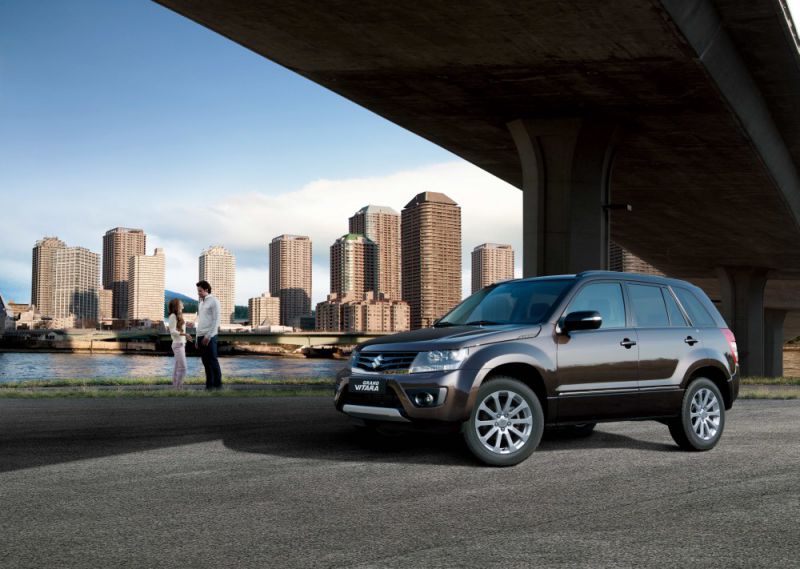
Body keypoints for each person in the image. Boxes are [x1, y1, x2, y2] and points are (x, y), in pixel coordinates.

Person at [195, 280, 222, 390]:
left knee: (213, 360)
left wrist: (208, 336)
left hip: (210, 336)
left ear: (206, 290)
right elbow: (201, 321)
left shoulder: (214, 301)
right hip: (200, 335)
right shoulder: (201, 303)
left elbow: (216, 320)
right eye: (198, 291)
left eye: (200, 291)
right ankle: (209, 386)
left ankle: (218, 386)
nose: (198, 293)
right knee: (205, 363)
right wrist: (197, 338)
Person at [167, 298, 193, 388]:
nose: (182, 303)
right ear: (177, 305)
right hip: (178, 345)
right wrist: (185, 334)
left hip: (181, 344)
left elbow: (178, 328)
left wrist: (186, 325)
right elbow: (173, 331)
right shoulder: (172, 316)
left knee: (177, 368)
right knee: (183, 368)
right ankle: (178, 388)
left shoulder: (178, 316)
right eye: (180, 302)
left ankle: (175, 388)